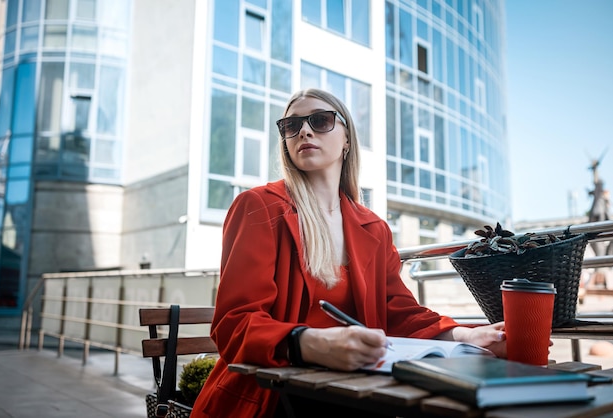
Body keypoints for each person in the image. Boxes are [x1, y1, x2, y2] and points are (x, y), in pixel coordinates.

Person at [190, 88, 507, 418]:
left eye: (320, 120)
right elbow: (233, 325)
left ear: (346, 140)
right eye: (291, 125)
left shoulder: (374, 227)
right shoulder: (259, 208)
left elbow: (398, 312)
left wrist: (466, 335)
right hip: (270, 398)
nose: (305, 131)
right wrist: (313, 344)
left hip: (354, 392)